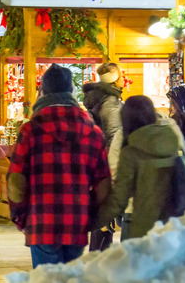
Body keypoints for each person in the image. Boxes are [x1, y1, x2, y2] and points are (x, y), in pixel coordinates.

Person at [7, 64, 111, 268]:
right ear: (71, 91)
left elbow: (16, 180)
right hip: (76, 224)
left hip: (41, 222)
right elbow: (103, 183)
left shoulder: (30, 130)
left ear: (43, 91)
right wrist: (93, 217)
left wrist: (19, 215)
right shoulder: (92, 132)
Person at [96, 95, 185, 240]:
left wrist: (97, 220)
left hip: (136, 218)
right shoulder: (171, 131)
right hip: (172, 217)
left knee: (136, 260)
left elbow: (118, 185)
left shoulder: (125, 142)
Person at [82, 62, 124, 251]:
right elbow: (114, 138)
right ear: (116, 80)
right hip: (108, 166)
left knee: (103, 217)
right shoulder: (111, 104)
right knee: (105, 219)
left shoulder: (98, 99)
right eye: (121, 75)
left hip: (98, 164)